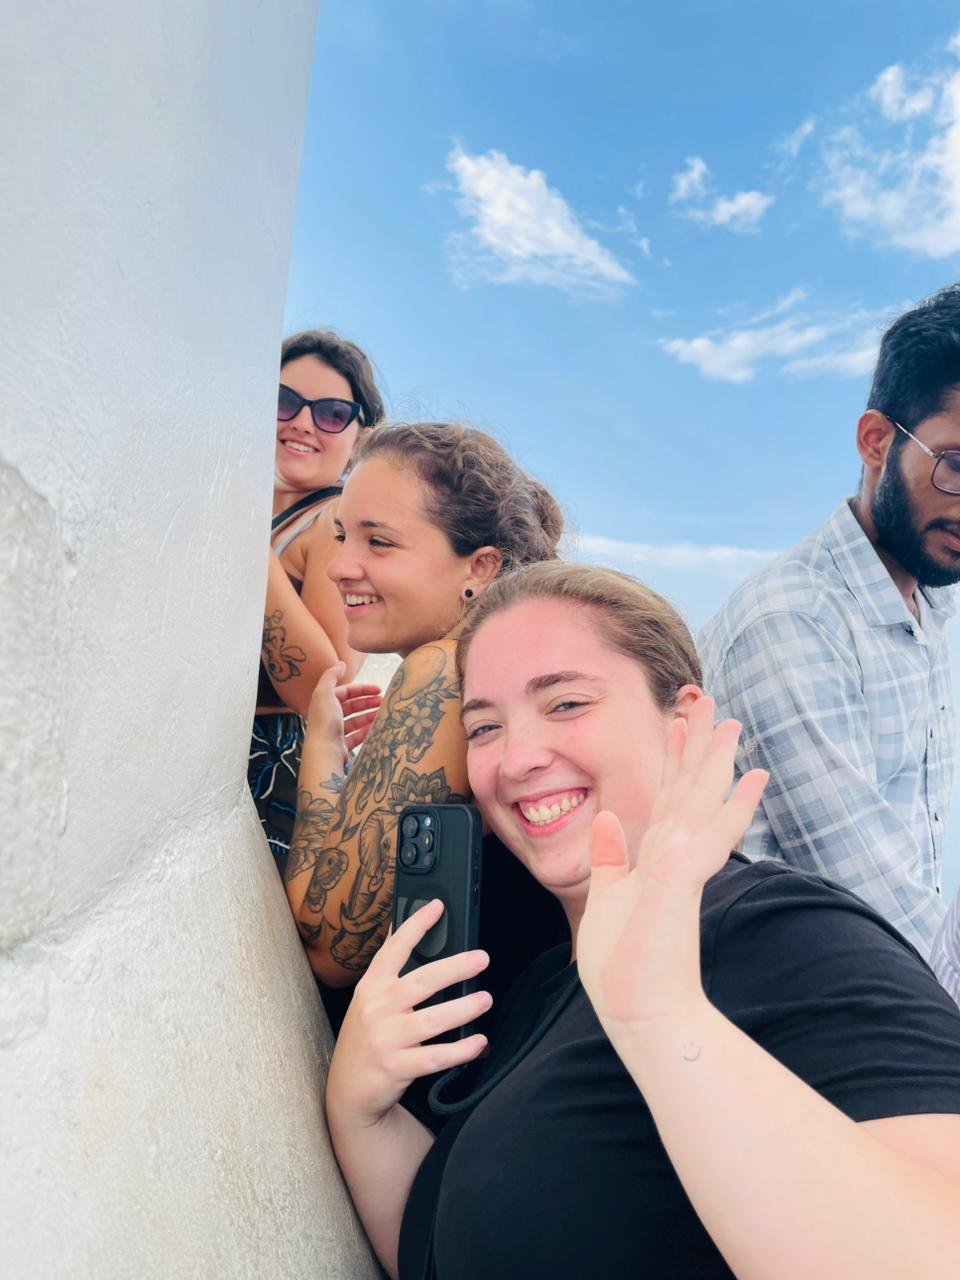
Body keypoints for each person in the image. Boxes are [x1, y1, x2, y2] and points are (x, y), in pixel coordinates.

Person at [325, 562, 960, 1280]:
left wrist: (664, 1021)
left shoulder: (782, 932)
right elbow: (450, 1249)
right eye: (485, 727)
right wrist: (360, 1111)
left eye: (566, 703)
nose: (516, 759)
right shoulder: (542, 983)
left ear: (682, 721)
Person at [699, 285, 960, 959]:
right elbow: (879, 915)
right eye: (956, 465)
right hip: (810, 995)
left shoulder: (931, 600)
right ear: (877, 442)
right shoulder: (792, 623)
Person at [284, 422, 567, 997]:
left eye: (379, 542)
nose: (340, 566)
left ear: (480, 567)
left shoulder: (444, 671)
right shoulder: (503, 667)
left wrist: (321, 753)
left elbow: (327, 947)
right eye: (341, 536)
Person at [249, 329, 385, 875]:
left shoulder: (333, 521)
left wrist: (243, 537)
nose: (303, 422)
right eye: (285, 401)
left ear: (359, 436)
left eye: (331, 413)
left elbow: (322, 689)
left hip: (269, 774)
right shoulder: (268, 512)